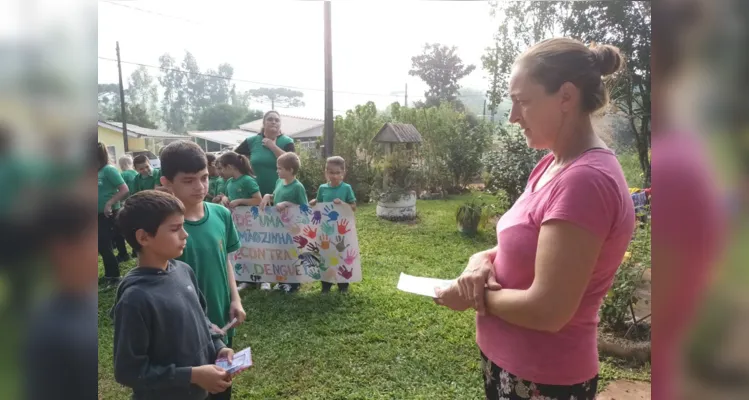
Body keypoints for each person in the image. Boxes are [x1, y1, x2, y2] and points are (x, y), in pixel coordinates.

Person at [433, 38, 635, 400]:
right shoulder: (551, 164)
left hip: (545, 378)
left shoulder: (586, 180)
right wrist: (479, 262)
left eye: (523, 102)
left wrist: (472, 297)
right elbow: (519, 243)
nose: (512, 117)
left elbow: (549, 310)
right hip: (510, 363)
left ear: (566, 97)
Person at [112, 190, 235, 399]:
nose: (185, 234)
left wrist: (218, 347)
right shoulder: (135, 298)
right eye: (175, 228)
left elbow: (202, 321)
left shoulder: (183, 270)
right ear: (143, 237)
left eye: (183, 226)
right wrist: (191, 375)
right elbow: (128, 371)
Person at [159, 140, 246, 400]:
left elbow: (225, 261)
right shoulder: (165, 227)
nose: (200, 187)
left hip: (221, 320)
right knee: (195, 390)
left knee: (222, 386)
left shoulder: (221, 214)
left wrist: (235, 298)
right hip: (185, 328)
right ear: (167, 182)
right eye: (188, 180)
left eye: (205, 177)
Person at [259, 152, 308, 293]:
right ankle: (282, 281)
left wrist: (288, 203)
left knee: (291, 254)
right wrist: (269, 196)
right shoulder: (279, 182)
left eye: (280, 168)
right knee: (279, 254)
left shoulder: (297, 187)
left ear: (290, 170)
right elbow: (277, 197)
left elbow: (304, 209)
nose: (277, 171)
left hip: (291, 229)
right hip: (277, 227)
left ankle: (293, 284)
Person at [217, 150, 265, 291]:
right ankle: (246, 279)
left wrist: (240, 201)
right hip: (238, 224)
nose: (220, 172)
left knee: (256, 250)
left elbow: (258, 199)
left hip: (252, 223)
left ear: (231, 167)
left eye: (222, 168)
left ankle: (263, 280)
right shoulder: (230, 182)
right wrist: (225, 199)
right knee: (242, 250)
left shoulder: (247, 180)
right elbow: (228, 197)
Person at [309, 156, 357, 293]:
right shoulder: (322, 188)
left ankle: (343, 285)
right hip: (326, 230)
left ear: (343, 172)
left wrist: (342, 204)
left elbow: (353, 207)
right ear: (326, 172)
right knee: (325, 256)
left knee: (342, 255)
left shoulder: (346, 188)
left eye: (337, 172)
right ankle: (326, 285)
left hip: (342, 231)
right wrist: (314, 202)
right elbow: (319, 202)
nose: (334, 176)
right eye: (331, 172)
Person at [234, 111, 296, 196]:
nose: (273, 122)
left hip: (282, 194)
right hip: (255, 194)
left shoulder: (287, 141)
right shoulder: (251, 141)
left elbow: (293, 163)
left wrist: (272, 146)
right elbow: (234, 161)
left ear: (280, 124)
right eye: (270, 119)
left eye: (277, 120)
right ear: (264, 123)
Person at [97, 142, 130, 286]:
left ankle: (115, 276)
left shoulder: (108, 170)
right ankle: (109, 274)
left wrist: (109, 203)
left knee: (105, 244)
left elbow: (124, 189)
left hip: (108, 213)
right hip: (96, 214)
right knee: (100, 245)